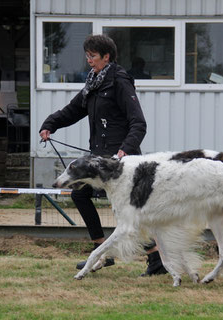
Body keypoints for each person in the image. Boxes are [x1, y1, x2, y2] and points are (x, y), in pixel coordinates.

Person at [39, 34, 167, 276]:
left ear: (106, 56)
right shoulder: (93, 82)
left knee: (128, 214)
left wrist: (125, 150)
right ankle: (101, 251)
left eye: (93, 56)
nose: (89, 60)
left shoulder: (119, 81)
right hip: (100, 158)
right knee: (80, 195)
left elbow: (138, 123)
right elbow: (73, 109)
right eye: (87, 56)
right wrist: (50, 125)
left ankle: (156, 260)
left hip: (122, 161)